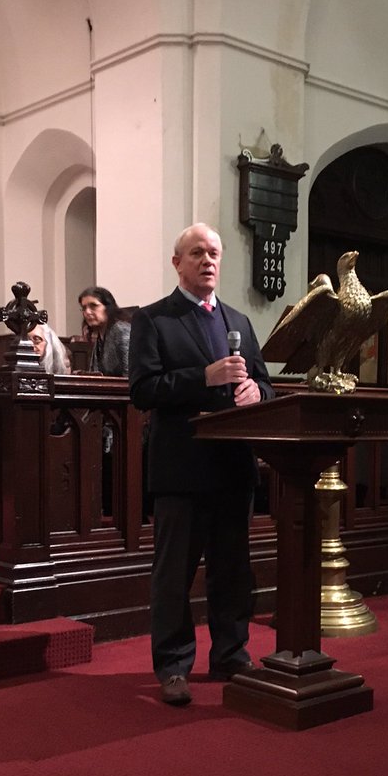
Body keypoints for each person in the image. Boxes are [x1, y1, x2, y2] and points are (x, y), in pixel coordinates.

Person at [128, 222, 274, 706]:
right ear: (177, 263)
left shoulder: (239, 321)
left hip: (233, 466)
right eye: (197, 253)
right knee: (175, 575)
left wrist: (257, 392)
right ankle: (173, 666)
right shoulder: (154, 319)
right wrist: (203, 377)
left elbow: (265, 383)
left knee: (233, 571)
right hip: (182, 468)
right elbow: (143, 390)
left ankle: (231, 653)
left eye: (214, 253)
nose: (208, 260)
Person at [79, 287, 131, 376]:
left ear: (108, 307)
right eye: (84, 308)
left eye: (93, 306)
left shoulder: (121, 330)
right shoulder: (101, 335)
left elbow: (130, 373)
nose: (87, 312)